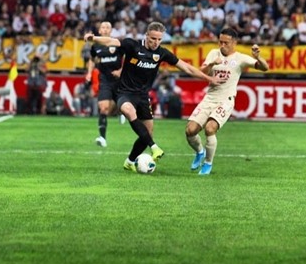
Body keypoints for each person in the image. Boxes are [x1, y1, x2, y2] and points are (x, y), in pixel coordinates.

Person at [84, 21, 225, 172]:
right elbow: (111, 41)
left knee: (148, 132)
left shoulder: (161, 53)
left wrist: (209, 79)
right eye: (153, 39)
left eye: (159, 39)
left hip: (143, 96)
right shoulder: (133, 45)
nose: (156, 42)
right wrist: (94, 38)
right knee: (128, 110)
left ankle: (130, 161)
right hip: (124, 92)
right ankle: (154, 147)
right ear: (146, 35)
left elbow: (186, 67)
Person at [185, 28, 269, 175]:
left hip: (226, 100)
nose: (222, 45)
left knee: (210, 128)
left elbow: (265, 68)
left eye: (226, 43)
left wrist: (258, 57)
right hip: (210, 98)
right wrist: (211, 64)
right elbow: (201, 73)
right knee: (190, 130)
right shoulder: (213, 53)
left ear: (234, 43)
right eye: (220, 42)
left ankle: (208, 164)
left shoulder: (240, 58)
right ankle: (199, 152)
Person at [85, 21, 124, 147]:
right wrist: (89, 73)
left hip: (119, 81)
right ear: (100, 31)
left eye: (108, 27)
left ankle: (121, 112)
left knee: (123, 106)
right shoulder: (95, 46)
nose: (106, 29)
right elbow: (92, 60)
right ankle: (102, 138)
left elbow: (128, 58)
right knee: (103, 108)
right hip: (105, 80)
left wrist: (121, 70)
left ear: (111, 31)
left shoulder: (117, 43)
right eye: (103, 27)